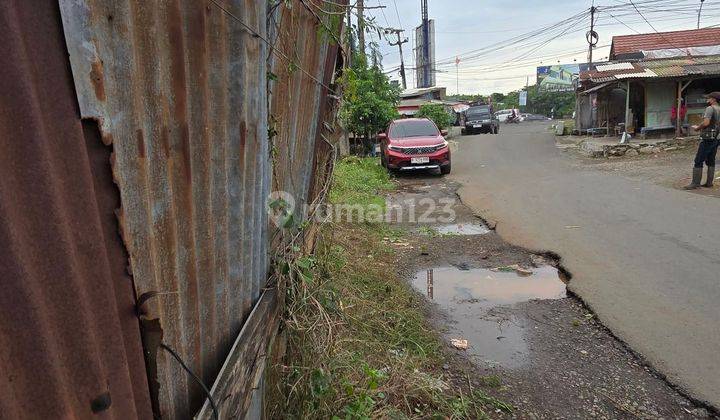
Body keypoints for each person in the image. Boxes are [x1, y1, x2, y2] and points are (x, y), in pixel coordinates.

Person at [685, 92, 720, 189]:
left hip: (708, 137)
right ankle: (709, 183)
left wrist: (698, 128)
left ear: (714, 99)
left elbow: (706, 122)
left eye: (709, 98)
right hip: (717, 137)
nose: (707, 99)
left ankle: (695, 183)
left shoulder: (710, 108)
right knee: (711, 159)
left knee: (699, 160)